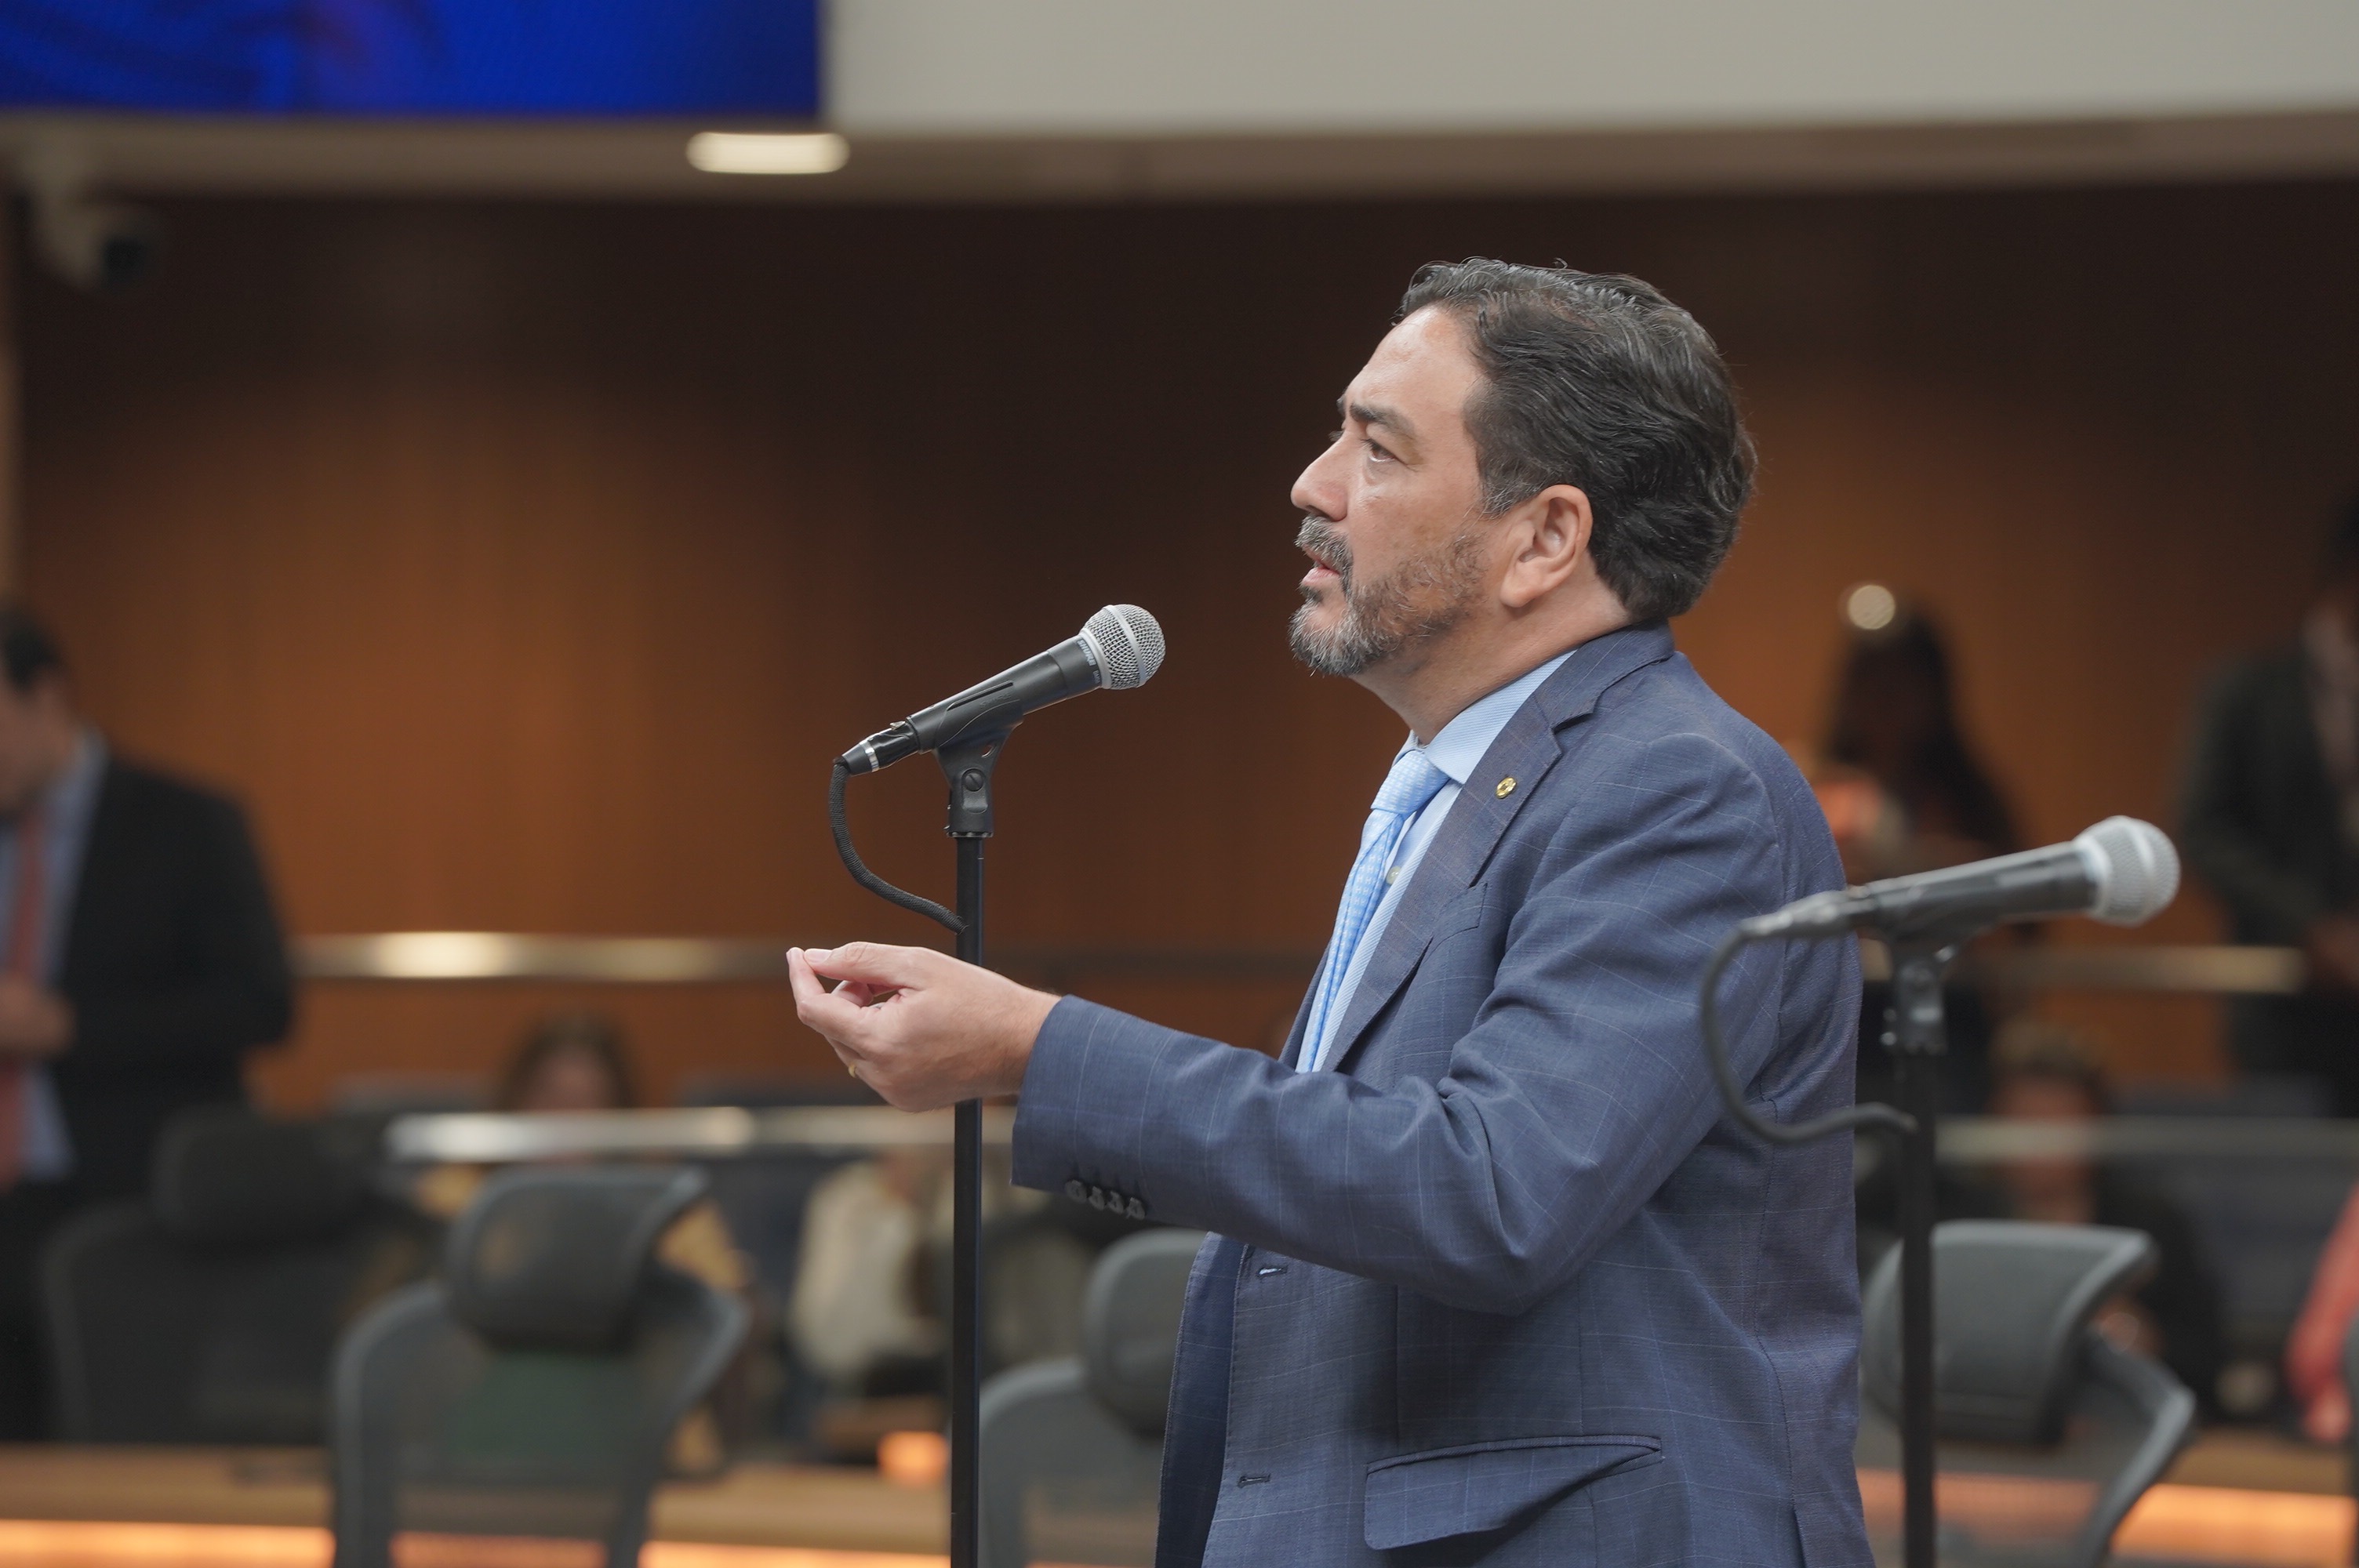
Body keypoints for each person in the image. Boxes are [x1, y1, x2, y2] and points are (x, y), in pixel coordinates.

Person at [791, 262, 1868, 1566]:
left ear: (1544, 539)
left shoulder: (1678, 787)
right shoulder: (1462, 787)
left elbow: (1490, 1192)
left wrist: (1037, 1048)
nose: (1311, 486)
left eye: (1378, 449)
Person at [0, 606, 293, 1439]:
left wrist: (70, 1027)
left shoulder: (184, 821)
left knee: (119, 1440)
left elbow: (260, 1003)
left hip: (129, 1196)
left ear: (46, 697)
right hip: (6, 1201)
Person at [2181, 492, 2359, 1112]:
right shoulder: (2250, 689)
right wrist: (2310, 924)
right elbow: (2203, 827)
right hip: (2283, 994)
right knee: (2285, 1154)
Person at [1808, 603, 2023, 1111]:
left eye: (1903, 682)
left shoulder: (1969, 799)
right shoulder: (1811, 784)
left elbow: (2019, 922)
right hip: (1839, 1013)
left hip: (1949, 1014)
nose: (1887, 700)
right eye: (1872, 682)